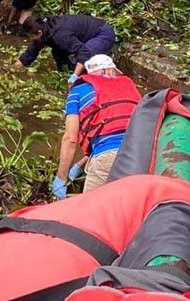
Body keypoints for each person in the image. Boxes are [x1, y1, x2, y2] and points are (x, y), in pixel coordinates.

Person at [52, 55, 141, 198]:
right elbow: (120, 135)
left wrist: (61, 178)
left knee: (89, 215)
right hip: (142, 155)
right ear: (110, 71)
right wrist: (80, 165)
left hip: (107, 159)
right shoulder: (130, 87)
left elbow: (70, 139)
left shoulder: (77, 91)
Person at [15, 14, 116, 82]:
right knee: (57, 51)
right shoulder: (45, 28)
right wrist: (14, 67)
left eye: (32, 36)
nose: (31, 39)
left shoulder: (60, 36)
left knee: (83, 63)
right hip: (85, 35)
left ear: (39, 33)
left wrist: (75, 76)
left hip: (102, 33)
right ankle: (66, 73)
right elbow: (32, 50)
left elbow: (84, 53)